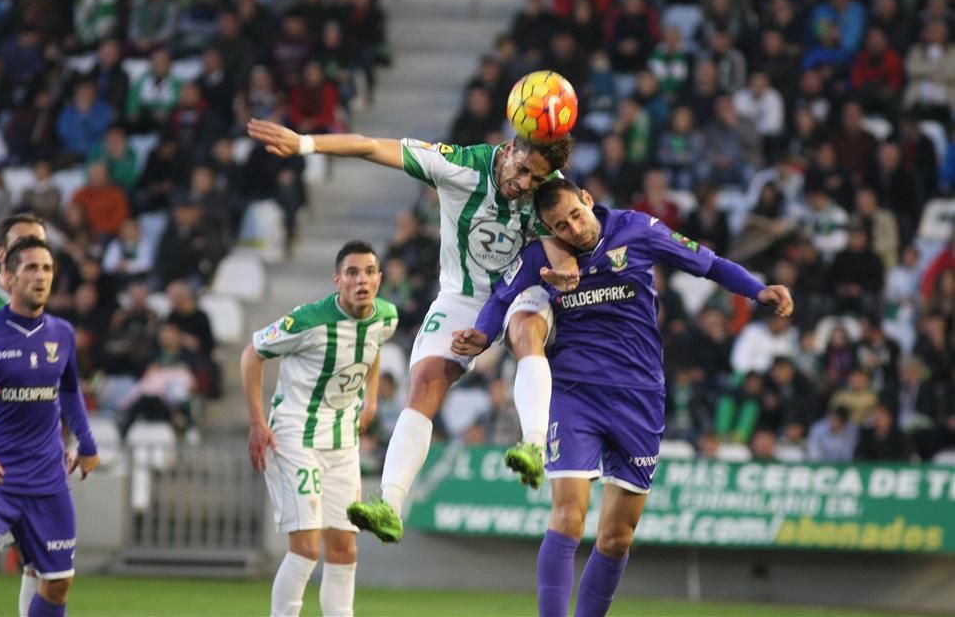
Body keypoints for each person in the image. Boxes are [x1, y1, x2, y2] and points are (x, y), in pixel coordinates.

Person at [451, 180, 793, 617]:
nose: (573, 229)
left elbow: (707, 264)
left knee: (617, 537)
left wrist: (756, 289)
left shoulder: (639, 229)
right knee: (568, 516)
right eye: (560, 225)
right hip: (575, 395)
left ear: (589, 201)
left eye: (576, 215)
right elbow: (500, 298)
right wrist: (480, 337)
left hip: (640, 397)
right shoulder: (544, 255)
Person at [247, 118, 578, 544]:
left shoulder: (553, 186)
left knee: (524, 328)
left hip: (523, 289)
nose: (526, 182)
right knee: (423, 382)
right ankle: (389, 504)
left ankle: (533, 444)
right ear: (511, 147)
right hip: (462, 297)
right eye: (523, 169)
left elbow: (576, 237)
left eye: (536, 177)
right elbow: (370, 143)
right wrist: (306, 143)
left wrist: (568, 270)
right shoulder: (460, 167)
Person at [241, 241, 398, 617]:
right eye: (352, 273)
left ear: (379, 278)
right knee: (307, 548)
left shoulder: (386, 317)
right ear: (337, 280)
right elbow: (252, 353)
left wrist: (371, 398)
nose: (362, 280)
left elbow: (373, 348)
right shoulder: (310, 320)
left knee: (345, 549)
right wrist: (257, 422)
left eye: (369, 272)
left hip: (343, 444)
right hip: (296, 436)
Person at [0, 237, 100, 617]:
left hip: (48, 478)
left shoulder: (62, 333)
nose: (41, 276)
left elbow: (70, 390)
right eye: (31, 268)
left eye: (46, 268)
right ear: (9, 277)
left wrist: (88, 444)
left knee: (58, 581)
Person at [0, 213, 47, 617]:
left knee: (44, 561)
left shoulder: (47, 321)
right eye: (24, 247)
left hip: (32, 455)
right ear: (3, 255)